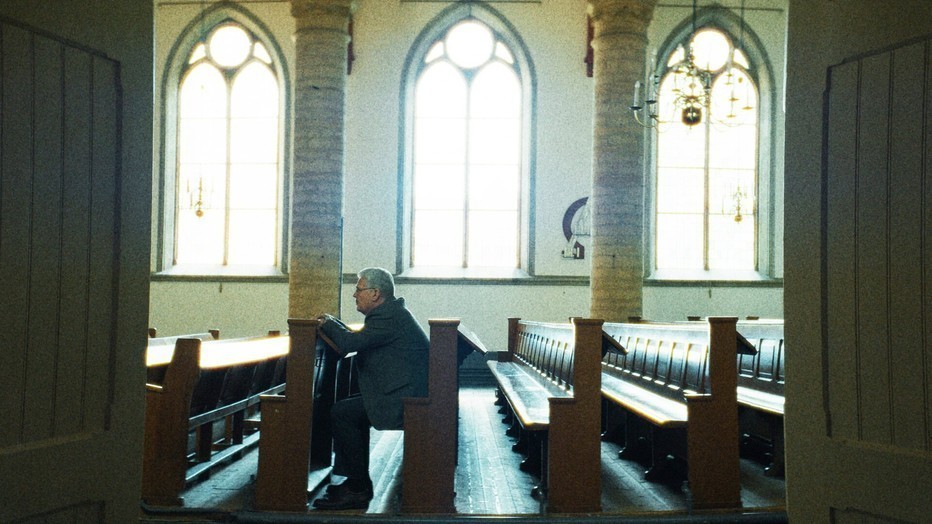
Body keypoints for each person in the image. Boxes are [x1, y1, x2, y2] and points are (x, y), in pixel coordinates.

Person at [311, 267, 430, 510]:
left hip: (406, 399)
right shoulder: (391, 313)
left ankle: (357, 487)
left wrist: (327, 323)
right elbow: (356, 340)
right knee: (347, 411)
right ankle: (353, 482)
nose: (355, 295)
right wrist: (333, 322)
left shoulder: (388, 317)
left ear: (375, 293)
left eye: (359, 289)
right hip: (404, 390)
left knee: (343, 413)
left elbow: (348, 343)